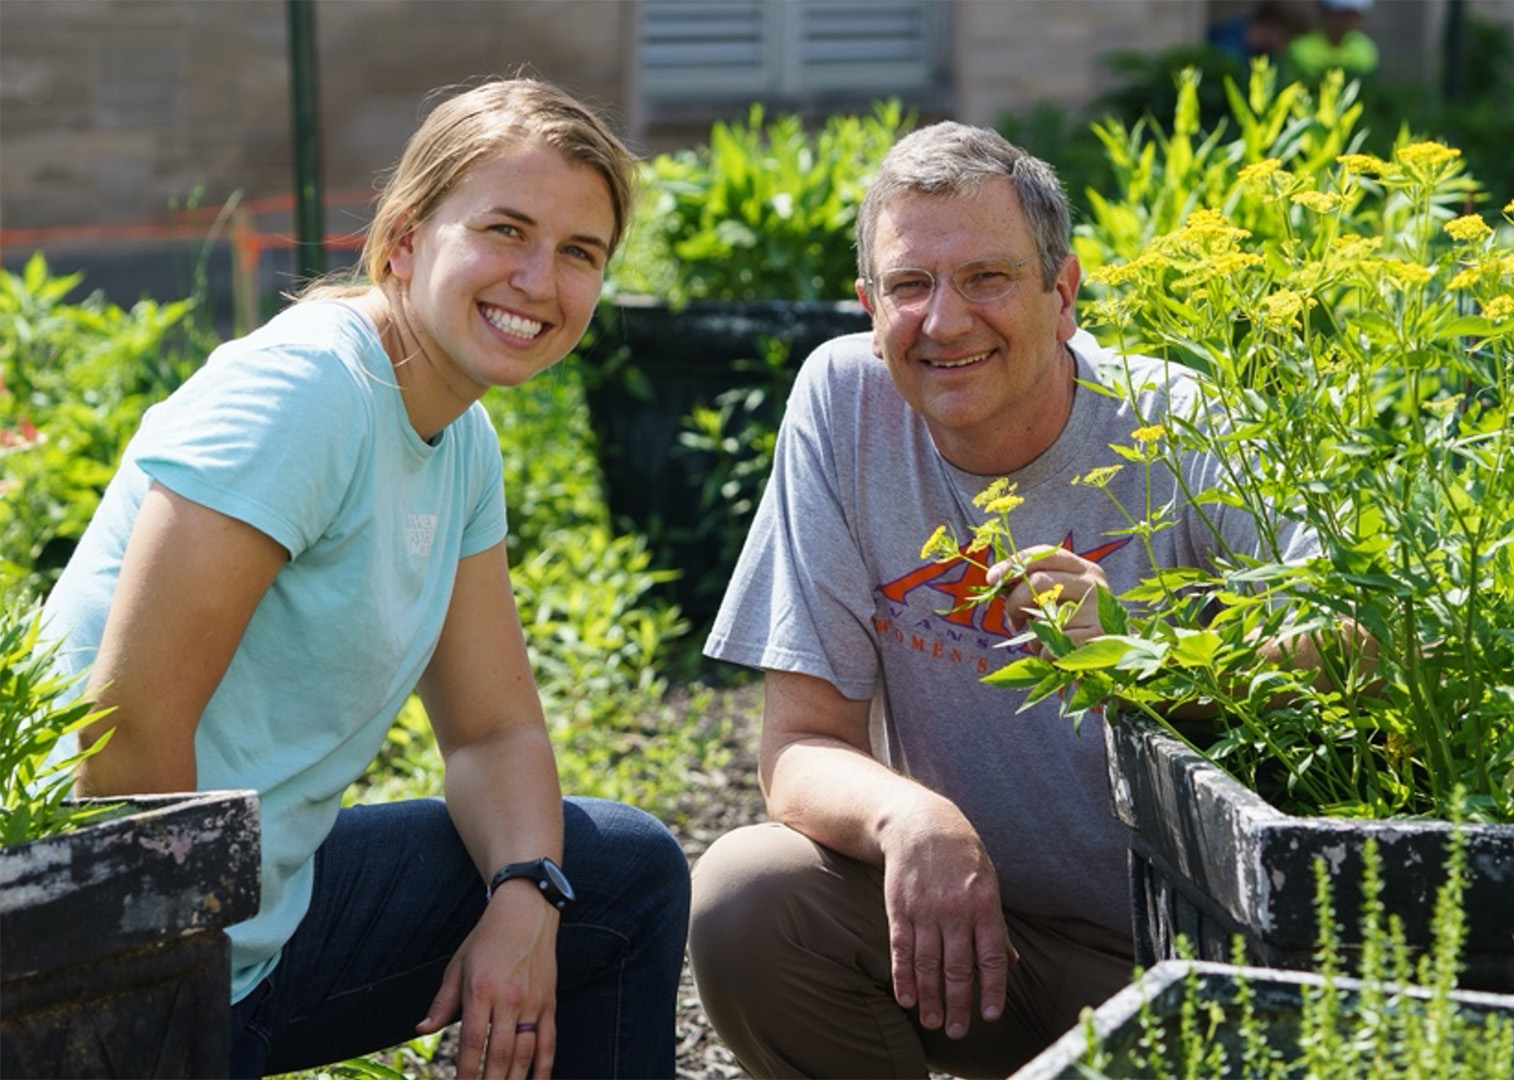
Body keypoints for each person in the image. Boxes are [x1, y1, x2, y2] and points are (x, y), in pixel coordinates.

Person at [41, 76, 689, 1080]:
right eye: (505, 230)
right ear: (405, 240)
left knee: (621, 879)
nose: (538, 279)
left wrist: (525, 896)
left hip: (259, 922)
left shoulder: (459, 436)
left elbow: (492, 731)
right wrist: (168, 1014)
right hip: (87, 960)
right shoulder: (305, 393)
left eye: (578, 253)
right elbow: (121, 736)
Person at [686, 122, 1323, 1078]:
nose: (943, 321)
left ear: (1062, 295)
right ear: (869, 306)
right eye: (909, 286)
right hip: (971, 946)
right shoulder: (844, 401)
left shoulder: (1177, 421)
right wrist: (913, 820)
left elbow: (1355, 641)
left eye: (985, 278)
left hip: (1187, 956)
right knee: (748, 896)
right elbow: (800, 744)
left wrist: (1138, 655)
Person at [1287, 0, 1380, 78]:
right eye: (1343, 14)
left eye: (1353, 14)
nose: (1348, 20)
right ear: (1326, 12)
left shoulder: (1365, 49)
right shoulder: (1300, 49)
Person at [1206, 0, 1307, 67]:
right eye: (1286, 38)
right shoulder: (1225, 44)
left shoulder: (1268, 55)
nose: (1285, 45)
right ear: (1271, 25)